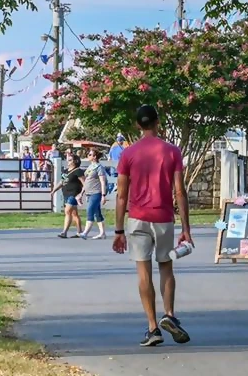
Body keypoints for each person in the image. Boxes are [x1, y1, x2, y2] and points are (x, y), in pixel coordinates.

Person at [112, 104, 193, 347]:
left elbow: (121, 195)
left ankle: (152, 327)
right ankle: (169, 315)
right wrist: (186, 228)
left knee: (143, 271)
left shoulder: (128, 154)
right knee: (166, 266)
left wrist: (118, 230)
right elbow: (179, 191)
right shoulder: (171, 151)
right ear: (158, 123)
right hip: (164, 217)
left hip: (137, 217)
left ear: (138, 125)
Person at [51, 153, 85, 238]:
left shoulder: (78, 171)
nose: (68, 162)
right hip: (66, 193)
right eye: (68, 160)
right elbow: (61, 182)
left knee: (67, 211)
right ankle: (79, 232)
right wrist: (54, 190)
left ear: (75, 161)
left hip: (74, 194)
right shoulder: (66, 171)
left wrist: (81, 194)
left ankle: (64, 232)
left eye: (70, 160)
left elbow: (85, 183)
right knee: (74, 214)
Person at [78, 149, 108, 239]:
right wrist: (81, 193)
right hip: (89, 193)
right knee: (97, 213)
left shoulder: (99, 167)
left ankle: (85, 233)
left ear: (94, 157)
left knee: (90, 211)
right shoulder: (90, 167)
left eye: (90, 154)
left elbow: (102, 181)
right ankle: (102, 233)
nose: (88, 155)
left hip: (96, 192)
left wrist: (103, 195)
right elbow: (87, 181)